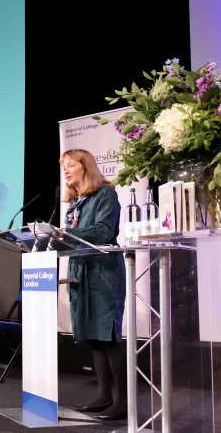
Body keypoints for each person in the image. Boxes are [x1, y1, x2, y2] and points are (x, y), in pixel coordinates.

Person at [59, 149, 126, 420]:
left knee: (108, 336)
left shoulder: (105, 194)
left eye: (70, 165)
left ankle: (123, 402)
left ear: (86, 166)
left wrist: (63, 233)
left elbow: (102, 232)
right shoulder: (75, 202)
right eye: (63, 167)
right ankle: (103, 396)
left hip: (102, 271)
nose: (65, 171)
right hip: (80, 271)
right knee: (94, 339)